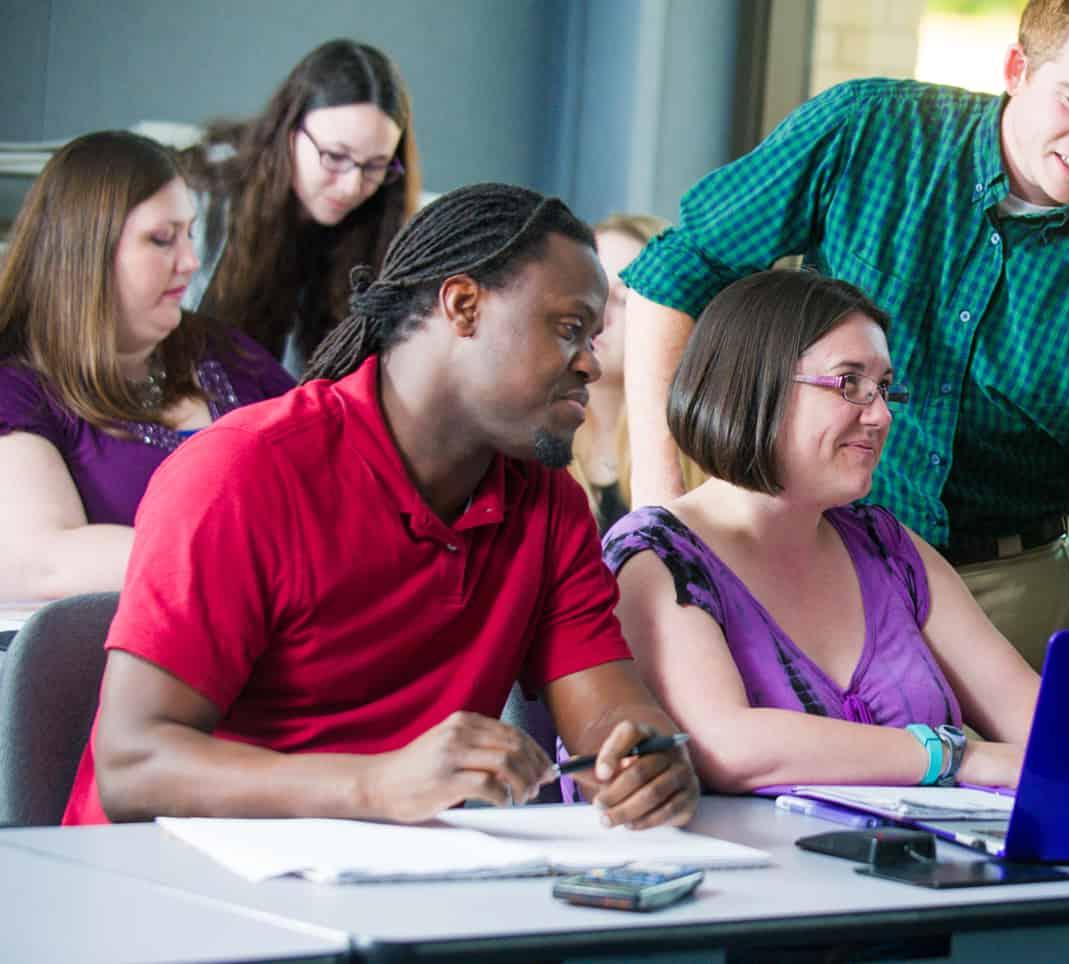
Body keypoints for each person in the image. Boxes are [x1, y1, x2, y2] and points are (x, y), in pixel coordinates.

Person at [617, 0, 1069, 668]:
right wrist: (661, 512)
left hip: (1007, 586)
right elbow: (673, 275)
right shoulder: (865, 132)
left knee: (1014, 767)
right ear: (1016, 69)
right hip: (812, 554)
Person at [64, 182, 697, 830]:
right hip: (165, 891)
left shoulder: (549, 504)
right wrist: (374, 785)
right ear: (463, 306)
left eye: (594, 337)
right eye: (570, 329)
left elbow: (604, 713)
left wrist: (641, 757)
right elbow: (132, 767)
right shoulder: (242, 472)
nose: (590, 364)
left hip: (378, 887)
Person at [605, 269, 1040, 793]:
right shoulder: (657, 554)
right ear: (754, 386)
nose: (881, 415)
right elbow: (723, 745)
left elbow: (1041, 726)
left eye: (883, 388)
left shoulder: (887, 545)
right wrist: (952, 756)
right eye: (849, 383)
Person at [0, 131, 293, 602]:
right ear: (86, 254)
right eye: (162, 240)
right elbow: (40, 561)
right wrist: (245, 554)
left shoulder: (222, 351)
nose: (191, 262)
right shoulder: (18, 392)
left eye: (190, 234)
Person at [179, 38, 420, 370]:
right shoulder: (199, 201)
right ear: (288, 131)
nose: (352, 187)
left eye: (376, 165)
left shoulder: (381, 231)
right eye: (335, 156)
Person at [568, 212, 690, 531]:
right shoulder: (532, 442)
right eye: (588, 291)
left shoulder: (694, 454)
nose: (598, 314)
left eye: (624, 298)